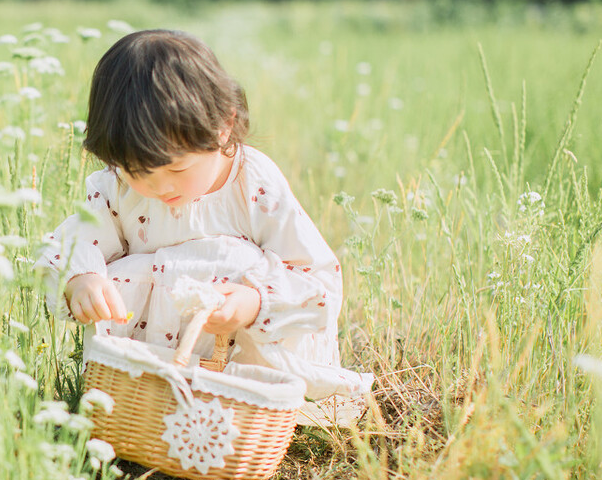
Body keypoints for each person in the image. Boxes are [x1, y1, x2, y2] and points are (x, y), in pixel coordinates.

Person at [39, 29, 371, 411]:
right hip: (146, 375)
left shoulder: (253, 183)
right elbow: (73, 245)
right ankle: (144, 404)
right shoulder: (116, 188)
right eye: (136, 171)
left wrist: (255, 301)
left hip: (242, 373)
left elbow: (317, 277)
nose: (159, 187)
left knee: (240, 264)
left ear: (223, 127)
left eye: (177, 169)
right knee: (107, 275)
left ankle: (238, 408)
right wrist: (81, 280)